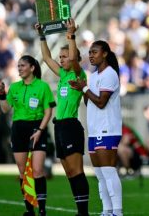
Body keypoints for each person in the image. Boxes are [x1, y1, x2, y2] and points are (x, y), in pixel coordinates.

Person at [36, 18, 89, 215]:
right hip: (59, 126)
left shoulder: (78, 74)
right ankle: (80, 210)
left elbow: (74, 59)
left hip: (71, 126)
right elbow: (46, 58)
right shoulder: (63, 75)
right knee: (69, 173)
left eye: (64, 56)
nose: (61, 60)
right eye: (61, 56)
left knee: (77, 171)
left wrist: (71, 35)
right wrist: (42, 36)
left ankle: (84, 212)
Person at [0, 55, 56, 216]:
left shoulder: (42, 86)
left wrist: (40, 130)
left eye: (23, 65)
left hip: (37, 128)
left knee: (37, 170)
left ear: (32, 68)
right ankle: (29, 209)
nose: (19, 68)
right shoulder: (15, 87)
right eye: (18, 66)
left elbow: (48, 111)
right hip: (18, 129)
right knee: (23, 172)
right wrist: (2, 94)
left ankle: (42, 209)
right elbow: (5, 109)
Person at [70, 40, 123, 216]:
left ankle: (117, 211)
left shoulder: (109, 74)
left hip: (107, 128)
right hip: (94, 129)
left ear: (105, 53)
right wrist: (82, 89)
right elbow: (89, 100)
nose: (91, 55)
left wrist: (83, 87)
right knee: (99, 174)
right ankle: (106, 210)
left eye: (95, 52)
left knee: (108, 171)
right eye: (90, 52)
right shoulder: (94, 75)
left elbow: (101, 102)